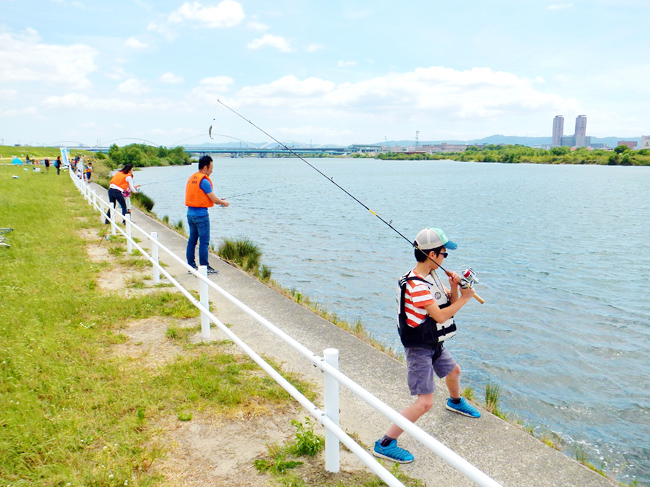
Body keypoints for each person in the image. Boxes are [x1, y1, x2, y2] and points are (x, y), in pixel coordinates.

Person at [373, 227, 479, 464]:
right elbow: (441, 317)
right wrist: (465, 298)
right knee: (425, 402)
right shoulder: (417, 286)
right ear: (432, 255)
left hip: (433, 342)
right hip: (419, 348)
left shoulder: (431, 277)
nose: (445, 259)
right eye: (444, 254)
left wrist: (454, 288)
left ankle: (455, 401)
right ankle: (385, 443)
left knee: (454, 371)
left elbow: (444, 305)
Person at [185, 155, 229, 275]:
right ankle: (205, 267)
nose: (212, 171)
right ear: (205, 167)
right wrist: (223, 202)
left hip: (190, 214)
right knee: (204, 242)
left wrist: (219, 200)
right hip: (201, 216)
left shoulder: (192, 178)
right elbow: (214, 199)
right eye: (211, 168)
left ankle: (191, 266)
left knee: (192, 241)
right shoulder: (204, 181)